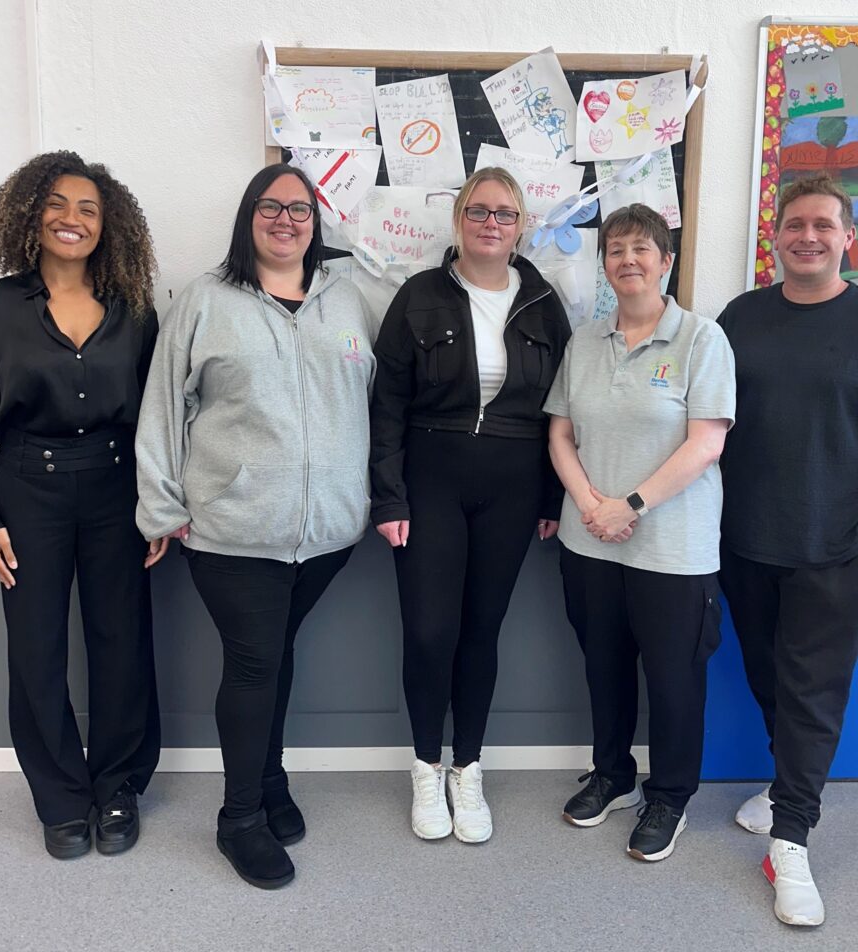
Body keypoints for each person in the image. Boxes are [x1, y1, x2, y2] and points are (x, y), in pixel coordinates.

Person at [135, 163, 376, 889]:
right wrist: (160, 508)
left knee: (274, 653)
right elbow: (160, 408)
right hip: (233, 527)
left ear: (316, 221)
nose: (285, 220)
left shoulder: (347, 299)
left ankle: (268, 782)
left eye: (299, 209)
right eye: (269, 207)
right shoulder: (207, 301)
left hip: (328, 533)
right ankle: (239, 817)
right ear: (248, 217)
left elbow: (368, 399)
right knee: (253, 662)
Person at [717, 174, 858, 927]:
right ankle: (787, 786)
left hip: (838, 546)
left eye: (823, 225)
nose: (807, 235)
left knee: (813, 693)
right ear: (774, 237)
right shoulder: (740, 317)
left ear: (850, 239)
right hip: (743, 541)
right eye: (794, 224)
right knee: (768, 675)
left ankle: (792, 840)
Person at [0, 151, 161, 860]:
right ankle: (61, 798)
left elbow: (158, 420)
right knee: (37, 647)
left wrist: (158, 505)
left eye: (88, 209)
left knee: (121, 643)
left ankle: (116, 787)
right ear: (30, 213)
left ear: (110, 226)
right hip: (26, 491)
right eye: (58, 205)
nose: (71, 219)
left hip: (115, 489)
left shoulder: (134, 310)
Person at [369, 167, 572, 844]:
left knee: (481, 633)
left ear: (522, 227)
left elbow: (561, 414)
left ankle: (469, 767)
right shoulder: (420, 295)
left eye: (505, 214)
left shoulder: (543, 302)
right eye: (479, 212)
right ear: (459, 220)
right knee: (430, 632)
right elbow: (387, 403)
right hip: (430, 479)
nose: (492, 224)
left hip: (513, 484)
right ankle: (426, 766)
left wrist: (551, 496)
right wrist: (388, 495)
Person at [545, 203, 735, 862]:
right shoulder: (585, 341)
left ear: (666, 261)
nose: (628, 259)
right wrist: (591, 503)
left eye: (642, 249)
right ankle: (614, 775)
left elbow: (705, 445)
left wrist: (630, 504)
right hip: (588, 539)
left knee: (674, 679)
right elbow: (560, 433)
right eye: (616, 249)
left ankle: (671, 796)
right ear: (604, 264)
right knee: (605, 668)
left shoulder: (701, 340)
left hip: (673, 549)